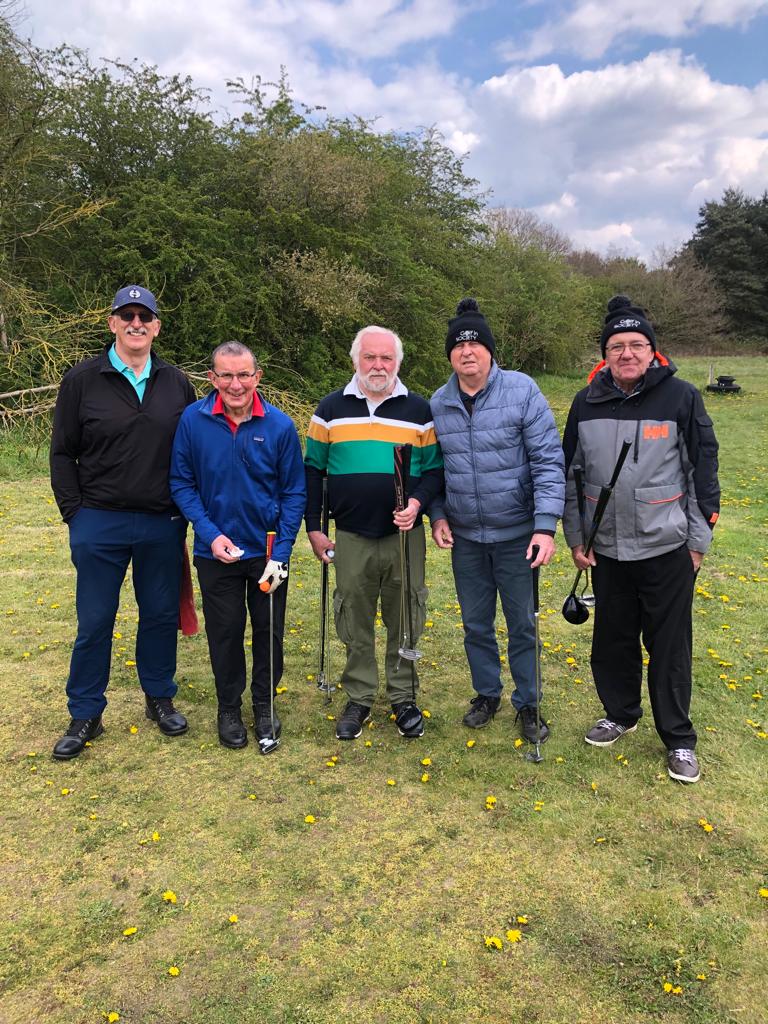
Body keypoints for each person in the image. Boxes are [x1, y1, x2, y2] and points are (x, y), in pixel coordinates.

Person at [562, 295, 720, 783]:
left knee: (670, 645)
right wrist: (576, 537)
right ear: (604, 355)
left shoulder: (681, 397)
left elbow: (702, 471)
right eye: (616, 346)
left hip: (666, 547)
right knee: (612, 639)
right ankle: (621, 713)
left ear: (654, 351)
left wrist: (697, 542)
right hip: (606, 549)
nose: (626, 353)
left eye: (636, 345)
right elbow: (569, 474)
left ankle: (678, 738)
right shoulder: (585, 402)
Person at [50, 285, 197, 759]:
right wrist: (76, 516)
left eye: (145, 316)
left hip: (160, 521)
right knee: (95, 620)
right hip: (99, 522)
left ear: (157, 326)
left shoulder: (176, 383)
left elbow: (192, 451)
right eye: (126, 315)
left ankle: (159, 697)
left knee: (158, 616)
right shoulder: (82, 380)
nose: (136, 323)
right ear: (112, 323)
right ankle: (85, 712)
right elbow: (62, 453)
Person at [430, 298, 565, 743]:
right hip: (466, 538)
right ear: (450, 354)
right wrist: (438, 514)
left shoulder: (522, 391)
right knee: (475, 623)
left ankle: (529, 702)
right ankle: (487, 693)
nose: (467, 352)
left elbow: (548, 461)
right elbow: (432, 469)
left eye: (476, 344)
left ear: (490, 350)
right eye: (458, 346)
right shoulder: (438, 402)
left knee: (523, 623)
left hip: (517, 535)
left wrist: (545, 526)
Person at [304, 326, 444, 741]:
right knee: (354, 614)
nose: (378, 365)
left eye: (386, 358)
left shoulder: (419, 411)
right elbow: (313, 472)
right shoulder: (329, 410)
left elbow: (434, 471)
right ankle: (360, 697)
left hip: (404, 537)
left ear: (398, 363)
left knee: (405, 614)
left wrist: (416, 504)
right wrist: (314, 528)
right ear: (356, 361)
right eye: (370, 358)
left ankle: (403, 696)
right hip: (349, 535)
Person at [170, 342, 305, 752]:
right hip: (217, 554)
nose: (235, 384)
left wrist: (280, 554)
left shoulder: (280, 426)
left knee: (269, 632)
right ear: (211, 379)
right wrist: (211, 534)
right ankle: (229, 707)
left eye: (243, 374)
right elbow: (182, 483)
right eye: (225, 375)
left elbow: (294, 493)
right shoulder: (192, 421)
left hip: (266, 555)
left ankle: (264, 704)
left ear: (257, 377)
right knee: (225, 634)